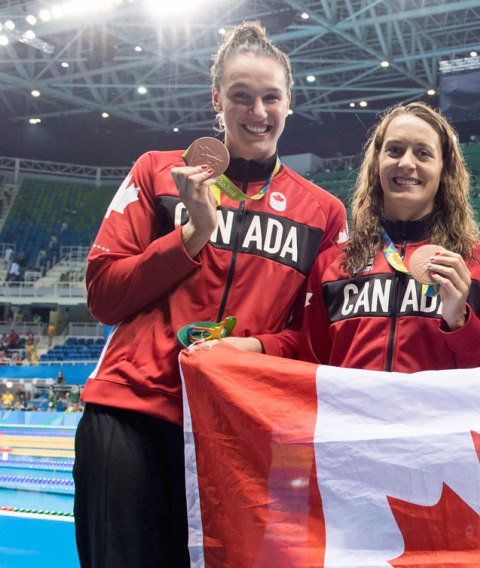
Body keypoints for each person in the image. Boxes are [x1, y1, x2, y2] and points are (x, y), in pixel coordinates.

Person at [74, 21, 347, 567]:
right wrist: (190, 236)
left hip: (233, 431)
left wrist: (257, 350)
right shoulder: (157, 173)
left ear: (290, 103)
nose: (258, 111)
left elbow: (316, 341)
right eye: (241, 96)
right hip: (133, 414)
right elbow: (103, 295)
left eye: (271, 97)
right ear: (216, 100)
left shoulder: (321, 212)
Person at [301, 102, 480, 371]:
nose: (406, 163)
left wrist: (460, 321)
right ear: (376, 163)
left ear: (444, 170)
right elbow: (308, 372)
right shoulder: (331, 266)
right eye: (394, 150)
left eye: (423, 153)